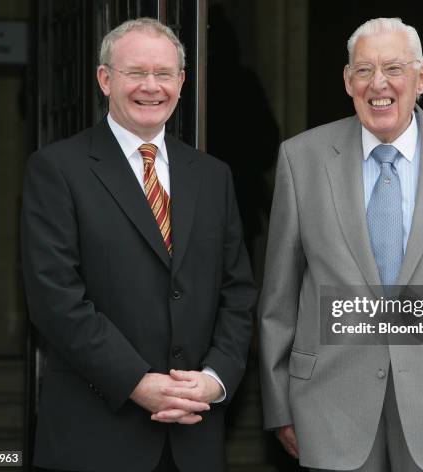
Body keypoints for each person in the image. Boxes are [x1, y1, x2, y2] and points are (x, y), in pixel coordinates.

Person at [258, 17, 423, 472]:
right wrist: (279, 403)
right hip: (329, 407)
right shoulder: (300, 159)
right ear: (347, 81)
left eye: (393, 69)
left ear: (421, 77)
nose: (377, 84)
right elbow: (278, 299)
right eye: (363, 70)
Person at [21, 18, 255, 472]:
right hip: (96, 439)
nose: (152, 87)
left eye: (164, 74)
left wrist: (215, 379)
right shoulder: (57, 169)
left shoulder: (212, 176)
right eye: (136, 73)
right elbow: (55, 299)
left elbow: (238, 293)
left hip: (193, 438)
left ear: (182, 82)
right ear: (105, 79)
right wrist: (135, 381)